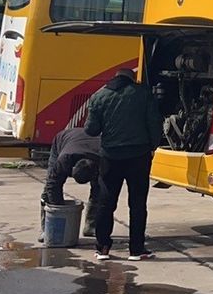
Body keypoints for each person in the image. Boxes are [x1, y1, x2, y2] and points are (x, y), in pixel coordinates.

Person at [85, 68, 163, 261]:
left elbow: (91, 129)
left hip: (110, 157)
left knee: (106, 202)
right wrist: (152, 146)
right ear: (131, 79)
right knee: (137, 203)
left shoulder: (99, 96)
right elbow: (154, 123)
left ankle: (102, 247)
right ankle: (136, 249)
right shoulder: (143, 93)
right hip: (139, 156)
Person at [39, 127, 101, 242]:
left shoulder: (102, 159)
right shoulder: (64, 160)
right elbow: (52, 185)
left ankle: (91, 226)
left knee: (99, 189)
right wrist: (58, 209)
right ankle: (47, 229)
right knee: (48, 190)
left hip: (91, 145)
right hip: (63, 140)